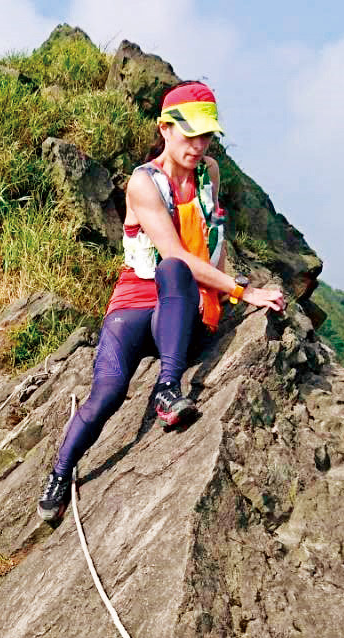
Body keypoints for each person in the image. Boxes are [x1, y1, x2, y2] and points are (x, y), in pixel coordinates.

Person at [37, 81, 285, 523]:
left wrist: (225, 296)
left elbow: (212, 235)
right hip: (134, 306)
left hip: (183, 311)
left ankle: (167, 389)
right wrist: (243, 290)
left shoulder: (209, 172)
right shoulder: (143, 183)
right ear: (165, 129)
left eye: (205, 135)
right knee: (107, 394)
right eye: (188, 134)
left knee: (177, 275)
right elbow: (176, 254)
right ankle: (59, 473)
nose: (198, 144)